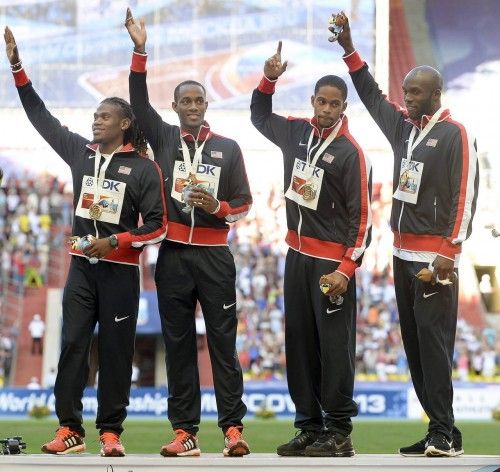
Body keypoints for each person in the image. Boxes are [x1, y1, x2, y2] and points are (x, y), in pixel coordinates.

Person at [4, 26, 167, 457]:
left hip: (120, 273)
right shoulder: (82, 152)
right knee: (74, 345)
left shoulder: (145, 170)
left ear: (125, 123)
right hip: (80, 269)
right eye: (95, 115)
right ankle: (69, 429)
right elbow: (40, 117)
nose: (96, 120)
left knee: (115, 353)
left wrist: (116, 242)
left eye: (105, 115)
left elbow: (158, 227)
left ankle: (110, 431)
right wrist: (17, 67)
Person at [334, 12, 479, 457]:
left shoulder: (456, 134)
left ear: (436, 94)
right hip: (401, 254)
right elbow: (373, 97)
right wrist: (350, 51)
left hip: (434, 259)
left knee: (434, 347)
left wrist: (449, 252)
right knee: (415, 348)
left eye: (415, 93)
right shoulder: (403, 130)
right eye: (406, 92)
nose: (407, 98)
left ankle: (444, 432)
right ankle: (441, 429)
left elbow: (465, 195)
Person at [125, 9, 252, 457]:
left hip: (216, 257)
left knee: (223, 344)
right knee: (177, 346)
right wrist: (141, 52)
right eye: (186, 101)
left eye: (199, 100)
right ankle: (185, 432)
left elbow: (243, 205)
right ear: (176, 107)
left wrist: (216, 207)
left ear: (206, 105)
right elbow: (137, 104)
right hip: (174, 255)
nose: (193, 106)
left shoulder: (228, 148)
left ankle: (233, 430)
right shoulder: (162, 138)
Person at [250, 41, 372, 457]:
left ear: (343, 107)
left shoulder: (352, 152)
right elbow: (259, 116)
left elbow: (362, 220)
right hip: (295, 256)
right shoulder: (296, 132)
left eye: (334, 104)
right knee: (299, 343)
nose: (326, 109)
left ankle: (339, 430)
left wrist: (345, 269)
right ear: (313, 100)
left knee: (334, 347)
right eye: (321, 101)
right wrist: (269, 78)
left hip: (329, 264)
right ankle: (308, 425)